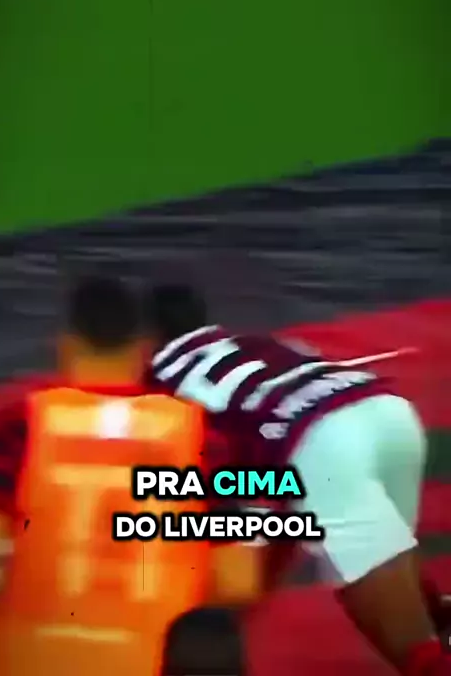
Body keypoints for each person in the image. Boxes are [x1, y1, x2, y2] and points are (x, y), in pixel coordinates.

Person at [144, 283, 451, 676]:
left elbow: (239, 501)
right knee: (397, 577)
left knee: (411, 647)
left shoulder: (162, 383)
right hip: (388, 413)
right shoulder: (257, 343)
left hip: (323, 444)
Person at [0, 277, 209, 676]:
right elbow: (238, 580)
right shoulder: (202, 436)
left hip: (25, 662)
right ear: (146, 349)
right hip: (150, 662)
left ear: (65, 344)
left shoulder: (16, 427)